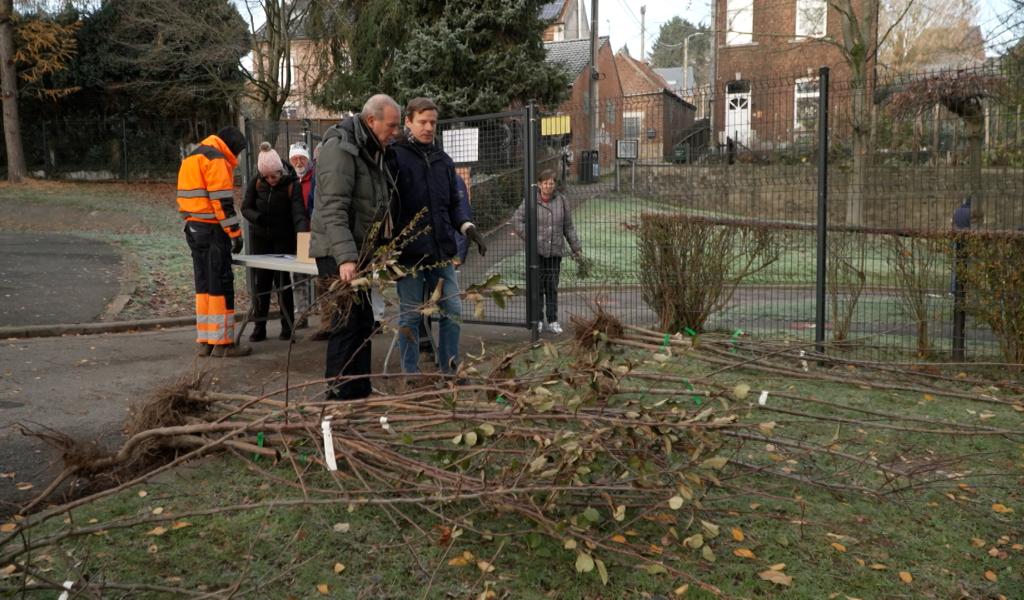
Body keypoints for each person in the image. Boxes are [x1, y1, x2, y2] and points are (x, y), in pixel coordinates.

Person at [309, 94, 401, 400]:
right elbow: (333, 208)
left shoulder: (370, 149)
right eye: (391, 125)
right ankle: (338, 393)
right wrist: (346, 258)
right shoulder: (341, 149)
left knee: (363, 324)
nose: (396, 132)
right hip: (339, 254)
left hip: (359, 252)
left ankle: (358, 389)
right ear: (371, 120)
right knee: (345, 323)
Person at [388, 97, 487, 375]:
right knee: (409, 316)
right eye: (422, 121)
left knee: (453, 311)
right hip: (408, 256)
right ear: (408, 122)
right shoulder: (395, 158)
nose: (429, 127)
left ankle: (450, 369)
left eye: (433, 122)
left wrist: (468, 228)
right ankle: (411, 374)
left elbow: (453, 206)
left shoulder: (443, 161)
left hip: (441, 253)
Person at [176, 126, 252, 357]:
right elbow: (222, 202)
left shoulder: (192, 157)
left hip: (193, 227)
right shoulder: (216, 159)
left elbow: (185, 196)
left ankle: (206, 341)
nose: (237, 157)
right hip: (212, 231)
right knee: (220, 284)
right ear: (231, 146)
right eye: (237, 152)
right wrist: (234, 233)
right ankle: (223, 344)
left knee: (204, 286)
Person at [241, 142, 309, 342]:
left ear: (281, 171)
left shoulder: (291, 185)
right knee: (261, 284)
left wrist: (302, 235)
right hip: (260, 239)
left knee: (283, 284)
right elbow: (245, 207)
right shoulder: (257, 182)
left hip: (283, 239)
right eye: (266, 177)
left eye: (274, 176)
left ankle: (287, 326)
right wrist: (258, 218)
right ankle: (259, 327)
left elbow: (298, 213)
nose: (270, 180)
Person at [512, 168, 582, 335]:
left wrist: (576, 247)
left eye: (551, 183)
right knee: (537, 288)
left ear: (554, 184)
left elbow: (568, 226)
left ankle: (552, 320)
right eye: (545, 183)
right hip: (537, 252)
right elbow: (516, 220)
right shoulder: (530, 200)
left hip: (555, 252)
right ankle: (538, 320)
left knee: (552, 287)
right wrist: (531, 238)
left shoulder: (562, 201)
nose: (548, 186)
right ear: (539, 184)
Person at [289, 141, 315, 329]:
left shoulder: (316, 178)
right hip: (298, 235)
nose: (299, 162)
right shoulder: (288, 180)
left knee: (323, 277)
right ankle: (301, 314)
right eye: (295, 159)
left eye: (302, 158)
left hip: (316, 232)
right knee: (298, 277)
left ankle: (328, 317)